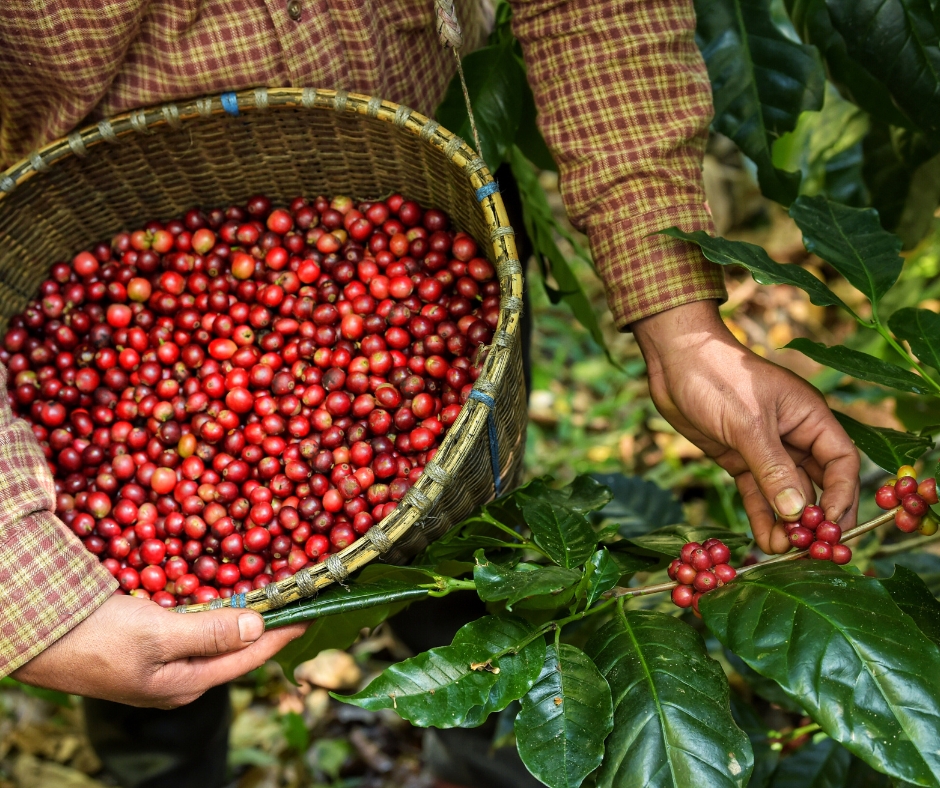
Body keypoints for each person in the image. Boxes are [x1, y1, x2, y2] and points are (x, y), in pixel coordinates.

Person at [0, 0, 859, 763]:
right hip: (91, 190)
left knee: (474, 575)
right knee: (144, 674)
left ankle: (486, 740)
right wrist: (27, 586)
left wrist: (683, 324)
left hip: (427, 163)